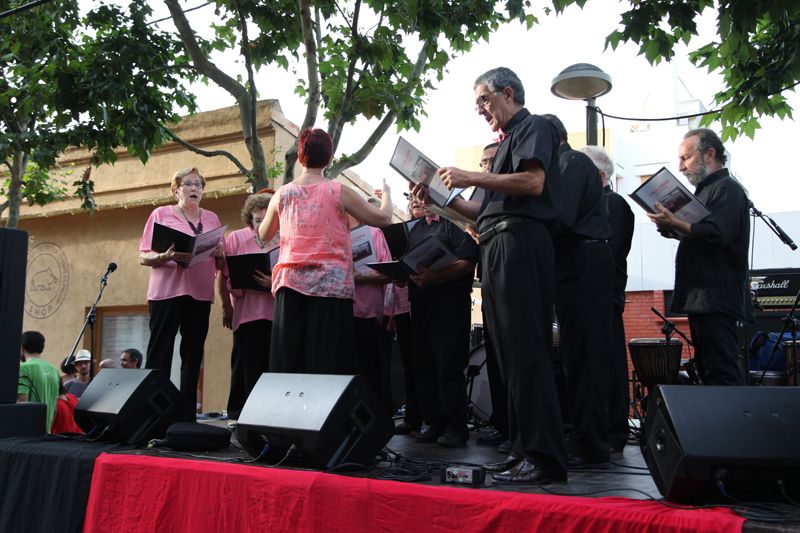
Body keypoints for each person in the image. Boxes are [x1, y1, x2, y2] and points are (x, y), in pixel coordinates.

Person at [415, 67, 567, 483]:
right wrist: (438, 198)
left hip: (521, 243)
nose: (480, 109)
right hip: (496, 245)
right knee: (509, 357)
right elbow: (476, 209)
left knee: (528, 353)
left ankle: (544, 456)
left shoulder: (533, 127)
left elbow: (533, 182)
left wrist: (468, 175)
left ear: (508, 92)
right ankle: (521, 450)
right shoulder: (501, 148)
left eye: (483, 99)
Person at [258, 128, 393, 375]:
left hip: (290, 282)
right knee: (327, 360)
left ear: (300, 157)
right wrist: (387, 195)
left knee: (289, 359)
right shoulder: (338, 191)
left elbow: (263, 234)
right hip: (331, 285)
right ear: (329, 159)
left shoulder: (282, 194)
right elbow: (384, 218)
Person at [648, 128, 749, 385]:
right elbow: (700, 236)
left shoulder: (728, 189)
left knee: (721, 371)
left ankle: (732, 423)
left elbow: (717, 233)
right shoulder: (704, 192)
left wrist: (677, 223)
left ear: (709, 155)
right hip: (701, 298)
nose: (680, 167)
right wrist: (671, 228)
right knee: (707, 369)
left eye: (686, 158)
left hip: (716, 297)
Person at [543, 114, 614, 467]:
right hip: (576, 264)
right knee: (575, 353)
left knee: (585, 354)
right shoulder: (567, 163)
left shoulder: (570, 163)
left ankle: (592, 441)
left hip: (583, 263)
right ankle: (585, 435)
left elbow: (562, 217)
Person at [139, 167, 225, 411]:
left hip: (199, 292)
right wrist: (165, 256)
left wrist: (219, 254)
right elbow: (143, 257)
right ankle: (153, 410)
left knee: (193, 353)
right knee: (160, 352)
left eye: (198, 185)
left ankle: (186, 411)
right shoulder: (160, 214)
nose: (194, 189)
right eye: (188, 184)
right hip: (166, 292)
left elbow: (220, 261)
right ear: (176, 190)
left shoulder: (212, 219)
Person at [406, 196, 478, 448]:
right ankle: (433, 423)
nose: (417, 200)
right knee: (424, 367)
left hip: (449, 305)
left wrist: (435, 276)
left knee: (449, 366)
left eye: (421, 194)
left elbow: (468, 263)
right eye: (412, 195)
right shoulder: (412, 228)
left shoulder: (453, 223)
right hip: (420, 305)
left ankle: (456, 428)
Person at [581, 145, 635, 453]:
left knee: (607, 362)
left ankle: (613, 430)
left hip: (603, 297)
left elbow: (607, 251)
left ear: (600, 176)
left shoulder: (612, 203)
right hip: (588, 296)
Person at [217, 192, 279, 427]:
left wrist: (273, 281)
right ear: (248, 220)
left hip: (275, 311)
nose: (262, 225)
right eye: (257, 220)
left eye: (267, 220)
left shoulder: (284, 238)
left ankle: (268, 416)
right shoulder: (235, 239)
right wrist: (225, 306)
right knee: (245, 363)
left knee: (271, 365)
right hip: (246, 311)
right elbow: (223, 275)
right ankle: (239, 414)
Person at [350, 211, 394, 411]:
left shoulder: (374, 233)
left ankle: (377, 419)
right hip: (340, 313)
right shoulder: (331, 235)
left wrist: (361, 277)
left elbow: (388, 274)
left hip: (369, 314)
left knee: (372, 371)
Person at [18, 331, 60, 433]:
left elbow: (22, 404)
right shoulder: (53, 369)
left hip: (26, 435)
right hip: (45, 434)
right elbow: (55, 410)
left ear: (22, 347)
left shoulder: (23, 368)